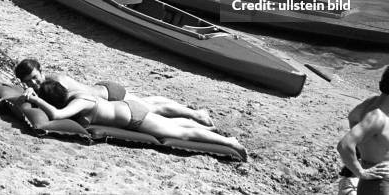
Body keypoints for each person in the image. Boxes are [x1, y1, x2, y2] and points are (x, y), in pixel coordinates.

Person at [23, 79, 247, 161]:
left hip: (134, 118)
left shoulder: (79, 101)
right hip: (129, 109)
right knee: (175, 126)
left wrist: (38, 101)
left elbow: (57, 115)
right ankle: (203, 124)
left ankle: (230, 142)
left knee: (180, 134)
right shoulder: (75, 95)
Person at [14, 58, 213, 126]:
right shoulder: (44, 85)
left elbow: (61, 104)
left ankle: (195, 114)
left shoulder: (55, 81)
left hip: (110, 95)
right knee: (149, 102)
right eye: (28, 80)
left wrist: (34, 95)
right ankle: (188, 110)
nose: (33, 81)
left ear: (41, 70)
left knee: (152, 109)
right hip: (103, 90)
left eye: (34, 76)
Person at [337, 62, 389, 195]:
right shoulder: (378, 117)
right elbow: (344, 145)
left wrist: (364, 146)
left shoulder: (372, 102)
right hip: (378, 186)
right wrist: (360, 172)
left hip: (378, 185)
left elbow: (353, 117)